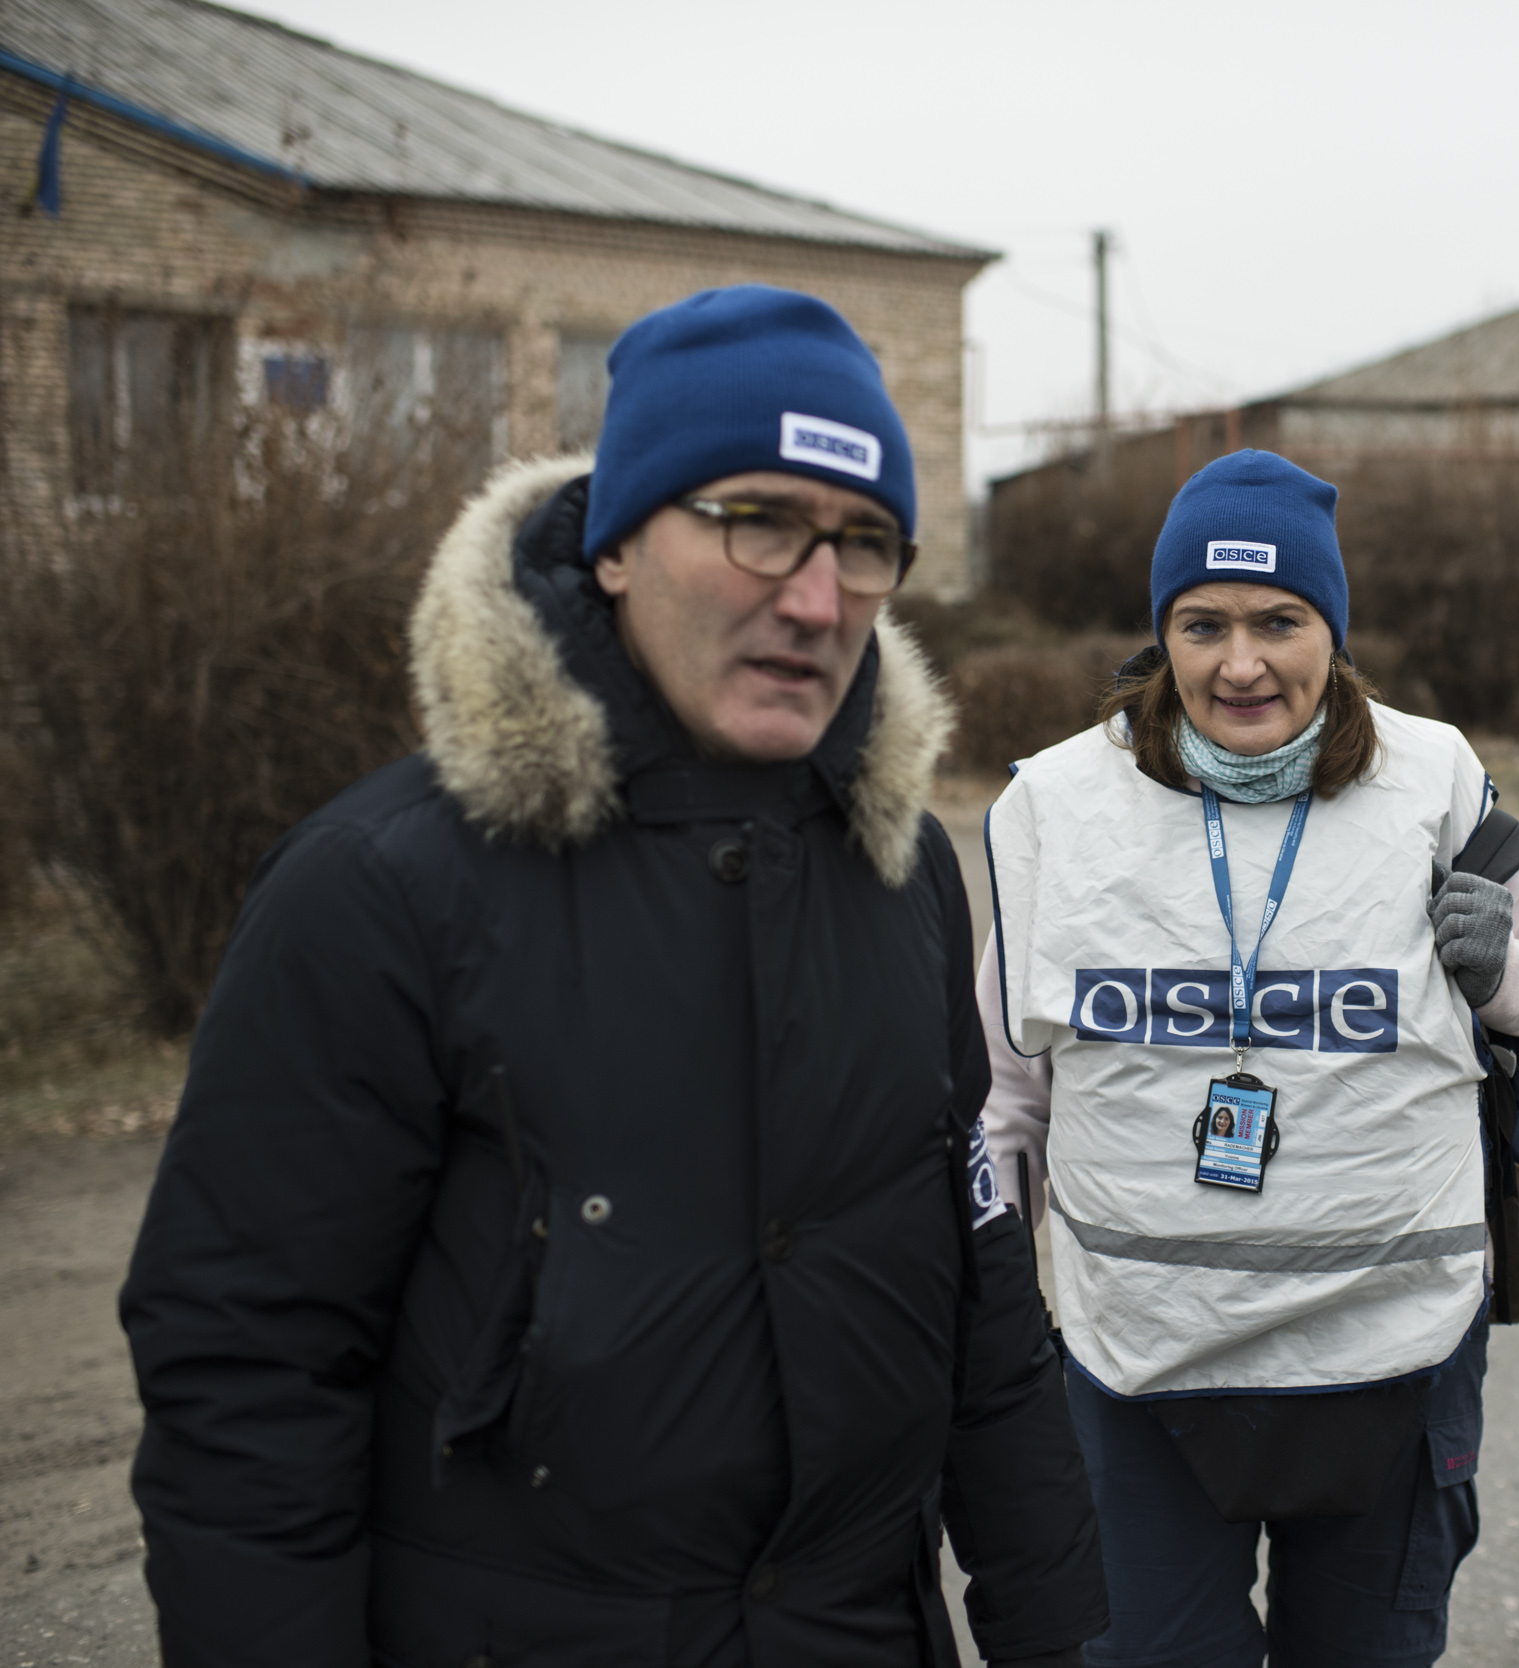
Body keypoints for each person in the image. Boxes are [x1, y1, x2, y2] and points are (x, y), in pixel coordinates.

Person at [119, 285, 1107, 1667]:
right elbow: (249, 1375)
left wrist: (1062, 1633)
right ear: (618, 545)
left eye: (866, 544)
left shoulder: (908, 877)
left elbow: (981, 1286)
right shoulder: (382, 887)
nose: (818, 600)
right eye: (757, 522)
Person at [979, 450, 1519, 1667]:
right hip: (1135, 1361)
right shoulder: (1052, 806)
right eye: (1204, 624)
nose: (1240, 663)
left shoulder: (1435, 778)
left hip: (1391, 1352)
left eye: (1278, 621)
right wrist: (993, 1326)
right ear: (1164, 633)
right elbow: (1005, 1092)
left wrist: (1497, 975)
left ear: (1331, 633)